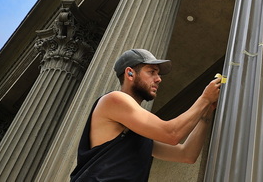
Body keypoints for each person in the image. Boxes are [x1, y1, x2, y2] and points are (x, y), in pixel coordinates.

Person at [69, 48, 222, 181]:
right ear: (130, 73)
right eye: (151, 72)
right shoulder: (114, 99)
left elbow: (186, 155)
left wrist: (205, 114)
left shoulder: (137, 136)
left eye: (158, 74)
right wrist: (205, 99)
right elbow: (172, 133)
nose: (158, 79)